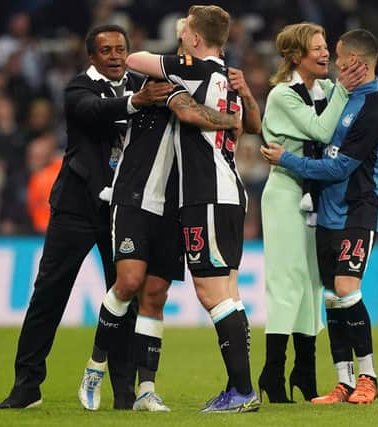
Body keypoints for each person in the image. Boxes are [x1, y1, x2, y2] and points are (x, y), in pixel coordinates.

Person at [0, 24, 174, 410]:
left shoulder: (146, 86)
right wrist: (136, 102)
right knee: (48, 296)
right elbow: (92, 111)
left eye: (120, 49)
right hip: (76, 207)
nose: (113, 55)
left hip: (123, 211)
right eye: (106, 50)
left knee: (123, 297)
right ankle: (27, 386)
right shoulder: (79, 88)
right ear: (91, 57)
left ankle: (124, 394)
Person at [77, 34, 244, 413]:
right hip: (135, 197)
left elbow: (209, 112)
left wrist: (237, 106)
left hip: (175, 205)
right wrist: (230, 120)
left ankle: (145, 390)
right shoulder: (152, 85)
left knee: (155, 296)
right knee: (129, 282)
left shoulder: (207, 87)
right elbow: (186, 111)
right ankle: (95, 366)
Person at [117, 5, 261, 413]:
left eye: (186, 34)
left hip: (206, 194)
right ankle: (240, 388)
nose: (182, 39)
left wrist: (176, 58)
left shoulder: (193, 69)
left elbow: (133, 59)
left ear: (195, 40)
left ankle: (242, 391)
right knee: (228, 292)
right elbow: (251, 125)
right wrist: (240, 103)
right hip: (230, 192)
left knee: (211, 292)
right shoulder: (228, 77)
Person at [261, 28, 378, 405]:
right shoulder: (335, 95)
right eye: (320, 49)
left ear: (355, 63)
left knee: (346, 289)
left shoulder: (371, 107)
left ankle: (368, 376)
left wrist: (287, 159)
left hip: (356, 209)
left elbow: (338, 167)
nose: (331, 58)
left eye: (334, 52)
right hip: (325, 211)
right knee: (331, 295)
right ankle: (343, 381)